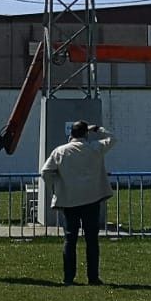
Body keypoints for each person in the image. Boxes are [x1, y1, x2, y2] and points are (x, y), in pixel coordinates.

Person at [40, 120, 115, 285]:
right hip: (92, 199)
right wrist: (98, 129)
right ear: (86, 134)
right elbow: (113, 139)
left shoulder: (60, 151)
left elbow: (45, 172)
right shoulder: (95, 148)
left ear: (71, 134)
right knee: (92, 240)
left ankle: (69, 277)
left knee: (70, 239)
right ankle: (93, 277)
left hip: (69, 200)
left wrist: (55, 187)